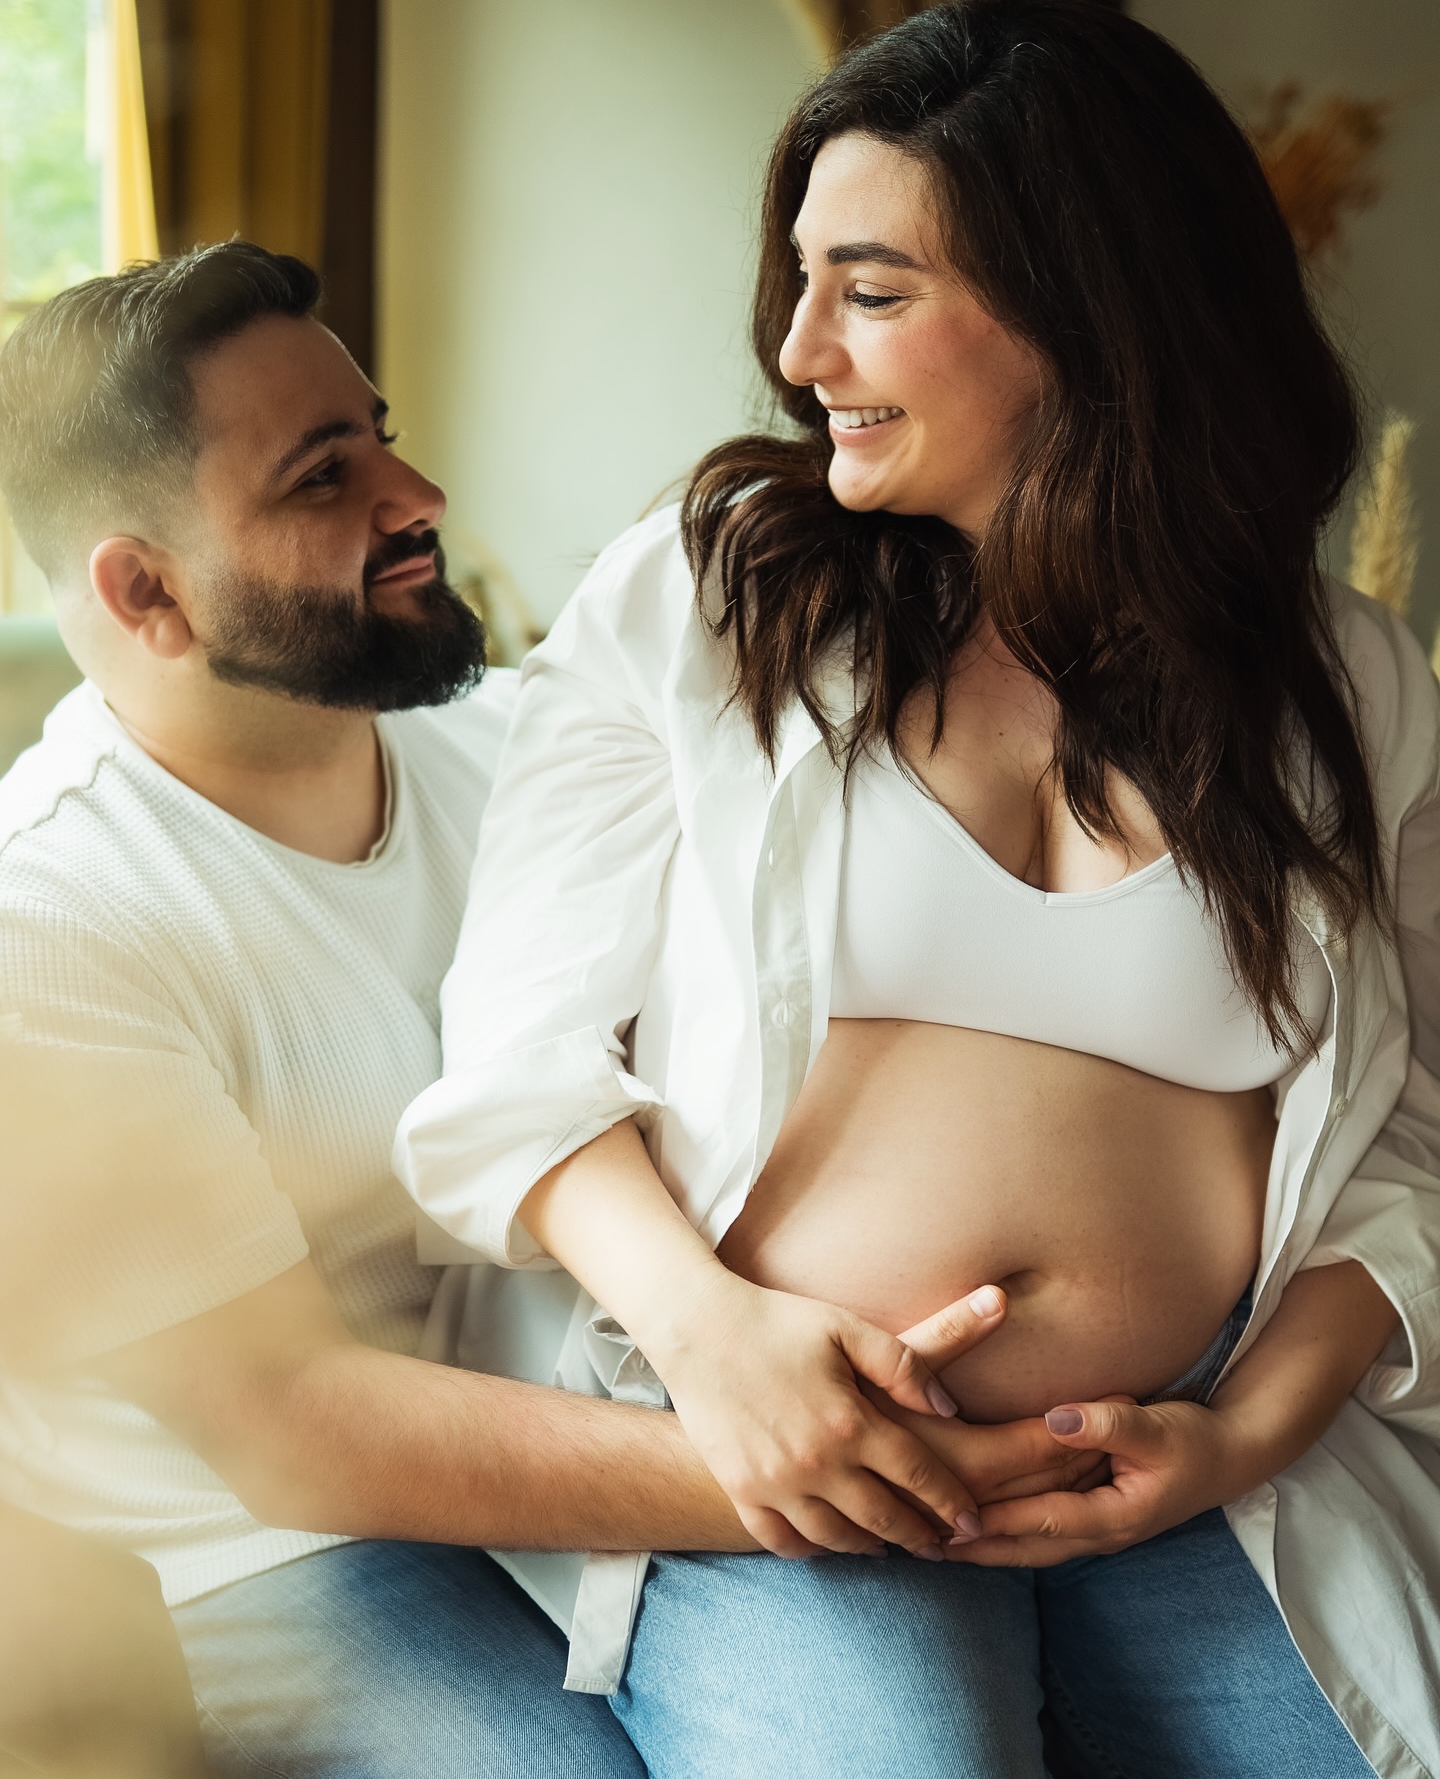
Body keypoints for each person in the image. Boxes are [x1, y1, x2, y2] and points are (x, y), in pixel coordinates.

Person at [396, 0, 1440, 1778]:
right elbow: (517, 1068)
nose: (800, 350)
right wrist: (722, 1347)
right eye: (801, 279)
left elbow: (1410, 1132)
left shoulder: (1348, 685)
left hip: (1182, 1463)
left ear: (1098, 318)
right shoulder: (707, 599)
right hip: (776, 1450)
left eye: (871, 291)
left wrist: (1247, 1431)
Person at [0, 241, 1097, 1777]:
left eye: (378, 429)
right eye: (327, 477)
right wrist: (859, 1474)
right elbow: (289, 1427)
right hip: (276, 1542)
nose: (419, 494)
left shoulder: (525, 740)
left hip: (584, 1385)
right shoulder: (49, 924)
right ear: (142, 590)